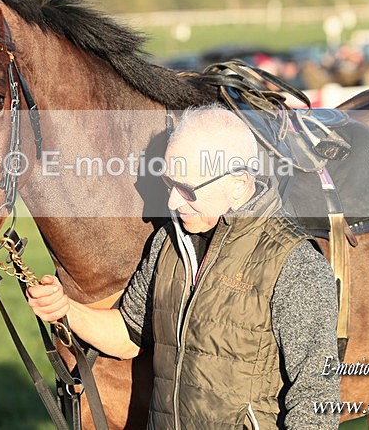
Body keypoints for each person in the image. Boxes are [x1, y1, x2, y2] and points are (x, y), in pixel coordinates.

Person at [28, 104, 340, 429]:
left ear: (237, 183)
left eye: (187, 189)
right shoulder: (169, 241)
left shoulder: (294, 262)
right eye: (169, 184)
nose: (172, 202)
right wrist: (64, 309)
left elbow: (316, 398)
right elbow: (129, 334)